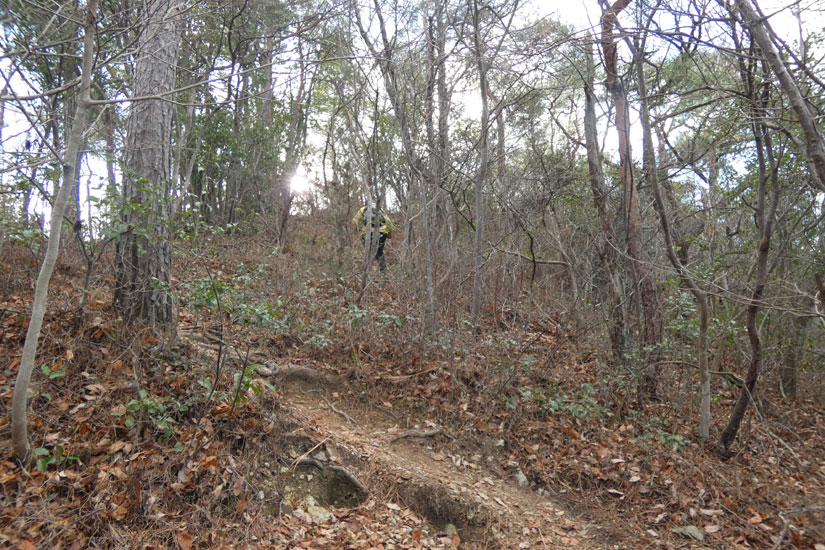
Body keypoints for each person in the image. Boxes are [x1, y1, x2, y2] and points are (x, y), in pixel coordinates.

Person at [353, 203, 393, 272]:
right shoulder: (381, 210)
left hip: (367, 232)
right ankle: (383, 271)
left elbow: (354, 222)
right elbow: (389, 223)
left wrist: (354, 233)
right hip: (382, 232)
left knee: (368, 252)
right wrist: (389, 237)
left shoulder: (363, 209)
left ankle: (368, 271)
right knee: (380, 252)